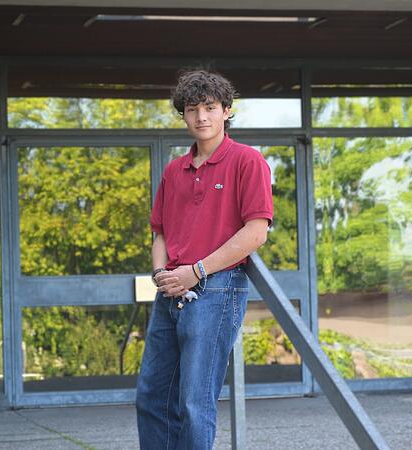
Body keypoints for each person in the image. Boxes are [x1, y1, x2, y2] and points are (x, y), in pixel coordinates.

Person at [136, 69, 273, 449]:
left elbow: (255, 232)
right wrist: (163, 274)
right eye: (192, 109)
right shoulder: (174, 170)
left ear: (227, 110)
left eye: (210, 107)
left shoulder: (247, 161)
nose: (201, 117)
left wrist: (195, 271)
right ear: (182, 115)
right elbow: (160, 232)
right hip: (172, 292)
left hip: (217, 289)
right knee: (152, 398)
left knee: (195, 403)